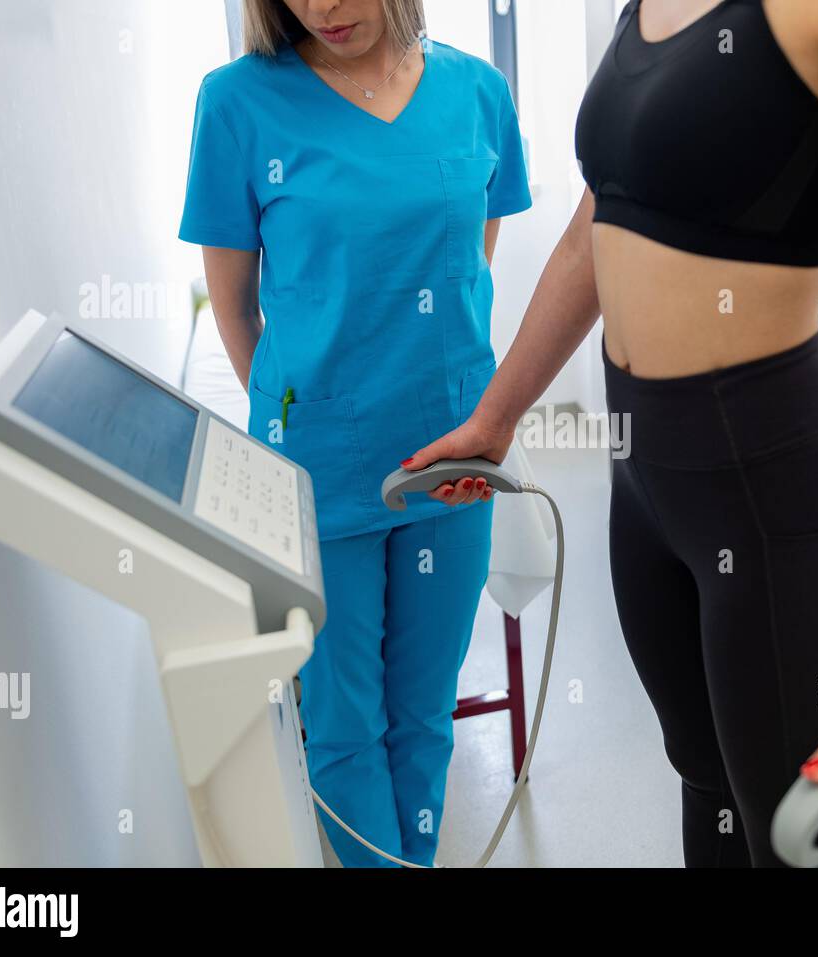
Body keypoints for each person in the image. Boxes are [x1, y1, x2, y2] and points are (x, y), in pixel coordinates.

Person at [405, 0, 818, 866]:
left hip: (773, 498)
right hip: (647, 488)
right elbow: (593, 233)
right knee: (707, 790)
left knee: (798, 840)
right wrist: (496, 417)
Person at [178, 0, 531, 866]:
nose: (322, 8)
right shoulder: (237, 103)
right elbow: (235, 307)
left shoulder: (478, 93)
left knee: (423, 716)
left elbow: (467, 270)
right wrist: (310, 408)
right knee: (340, 726)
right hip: (318, 473)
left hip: (451, 460)